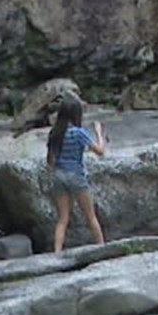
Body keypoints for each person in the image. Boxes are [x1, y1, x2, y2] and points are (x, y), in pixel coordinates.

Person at [45, 97, 107, 253]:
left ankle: (57, 253)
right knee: (90, 216)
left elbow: (50, 162)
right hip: (76, 176)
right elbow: (100, 152)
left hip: (59, 175)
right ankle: (102, 248)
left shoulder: (55, 133)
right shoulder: (79, 133)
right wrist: (99, 134)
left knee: (63, 219)